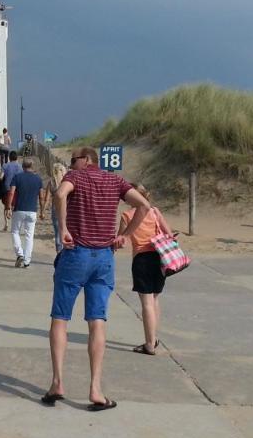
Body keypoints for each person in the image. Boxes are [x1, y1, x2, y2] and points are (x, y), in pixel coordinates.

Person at [43, 147, 151, 411]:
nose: (71, 164)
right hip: (103, 257)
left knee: (60, 317)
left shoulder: (75, 177)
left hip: (76, 254)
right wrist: (125, 234)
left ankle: (58, 382)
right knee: (97, 321)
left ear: (86, 159)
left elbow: (59, 194)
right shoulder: (115, 181)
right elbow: (144, 205)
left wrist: (64, 228)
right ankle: (95, 389)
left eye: (74, 160)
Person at [116, 183, 173, 354]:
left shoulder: (127, 215)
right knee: (155, 299)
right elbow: (169, 233)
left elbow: (121, 241)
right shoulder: (154, 211)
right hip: (159, 257)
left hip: (141, 258)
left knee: (146, 302)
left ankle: (149, 344)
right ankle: (153, 338)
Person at [7, 158, 43, 267]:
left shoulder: (17, 177)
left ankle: (20, 254)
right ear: (33, 166)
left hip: (19, 208)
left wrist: (8, 207)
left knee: (15, 232)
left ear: (23, 167)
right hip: (32, 210)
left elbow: (12, 192)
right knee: (29, 236)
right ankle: (27, 261)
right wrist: (42, 211)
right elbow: (41, 196)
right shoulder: (38, 179)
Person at [41, 161, 68, 254]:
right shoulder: (67, 182)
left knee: (58, 232)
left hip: (55, 209)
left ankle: (58, 253)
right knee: (67, 231)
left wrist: (43, 211)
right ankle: (66, 252)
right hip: (67, 209)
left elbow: (46, 199)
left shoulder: (51, 182)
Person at [0, 151, 22, 229]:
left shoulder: (5, 165)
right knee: (14, 206)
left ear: (9, 157)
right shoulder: (20, 167)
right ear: (16, 157)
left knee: (6, 206)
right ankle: (14, 224)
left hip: (7, 188)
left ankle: (6, 224)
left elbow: (1, 177)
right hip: (17, 188)